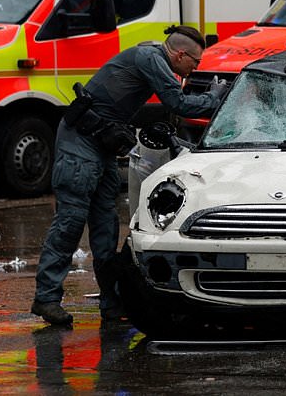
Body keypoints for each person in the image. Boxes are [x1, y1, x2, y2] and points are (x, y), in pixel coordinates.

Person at [31, 24, 228, 325]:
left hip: (98, 146)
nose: (195, 68)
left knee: (106, 228)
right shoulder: (151, 59)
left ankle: (112, 304)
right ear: (180, 54)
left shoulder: (151, 59)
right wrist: (216, 96)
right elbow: (179, 103)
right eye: (195, 63)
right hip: (80, 145)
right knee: (70, 223)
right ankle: (46, 299)